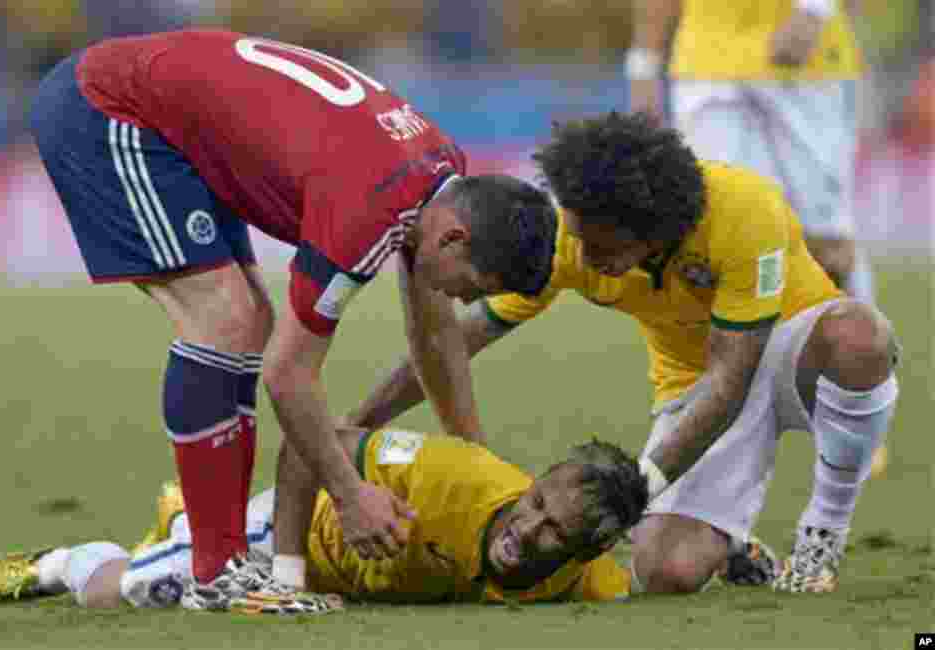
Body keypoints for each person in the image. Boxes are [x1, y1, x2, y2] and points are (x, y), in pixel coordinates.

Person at [29, 29, 558, 613]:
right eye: (473, 287)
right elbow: (288, 376)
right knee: (227, 321)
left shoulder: (439, 179)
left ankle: (221, 559)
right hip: (106, 106)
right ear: (454, 238)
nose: (461, 301)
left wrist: (476, 466)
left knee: (247, 322)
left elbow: (434, 336)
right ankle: (218, 572)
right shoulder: (371, 207)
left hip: (171, 125)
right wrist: (350, 495)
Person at [344, 113, 900, 594]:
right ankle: (730, 545)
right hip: (696, 381)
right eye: (579, 238)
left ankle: (822, 533)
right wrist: (355, 426)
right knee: (665, 572)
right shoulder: (573, 239)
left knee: (862, 339)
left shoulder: (743, 210)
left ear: (651, 224)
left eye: (601, 244)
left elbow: (735, 376)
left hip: (788, 350)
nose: (583, 255)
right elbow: (459, 342)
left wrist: (643, 485)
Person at [0, 427, 662, 611]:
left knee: (176, 555)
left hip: (340, 589)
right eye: (536, 502)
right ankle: (54, 563)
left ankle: (187, 520)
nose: (525, 530)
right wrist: (343, 506)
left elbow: (645, 575)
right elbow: (324, 441)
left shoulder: (592, 582)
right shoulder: (456, 473)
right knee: (121, 593)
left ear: (585, 549)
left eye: (552, 533)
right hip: (289, 539)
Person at [627, 0, 874, 302]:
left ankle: (863, 345)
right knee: (718, 234)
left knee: (826, 247)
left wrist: (814, 10)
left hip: (808, 63)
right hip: (706, 63)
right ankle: (753, 344)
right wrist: (643, 63)